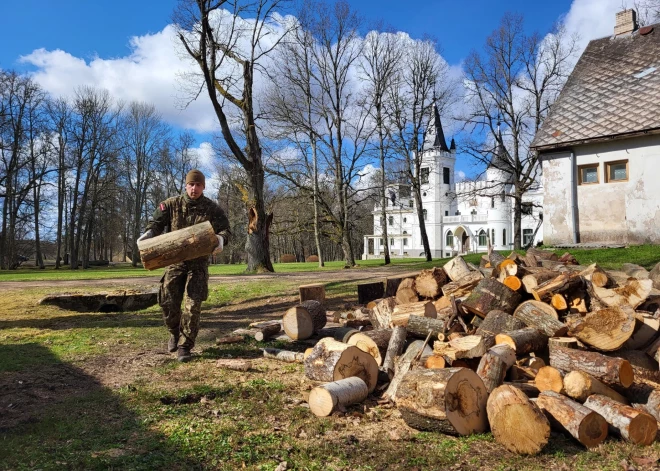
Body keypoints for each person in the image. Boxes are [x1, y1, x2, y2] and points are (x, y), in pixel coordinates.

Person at [138, 169, 230, 362]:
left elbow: (225, 229)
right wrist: (149, 234)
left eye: (198, 185)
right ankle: (173, 331)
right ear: (186, 185)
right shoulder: (171, 205)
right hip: (174, 262)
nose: (194, 188)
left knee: (193, 305)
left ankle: (185, 346)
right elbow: (156, 223)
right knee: (168, 302)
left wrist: (221, 239)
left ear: (203, 186)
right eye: (191, 184)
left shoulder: (212, 208)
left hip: (198, 264)